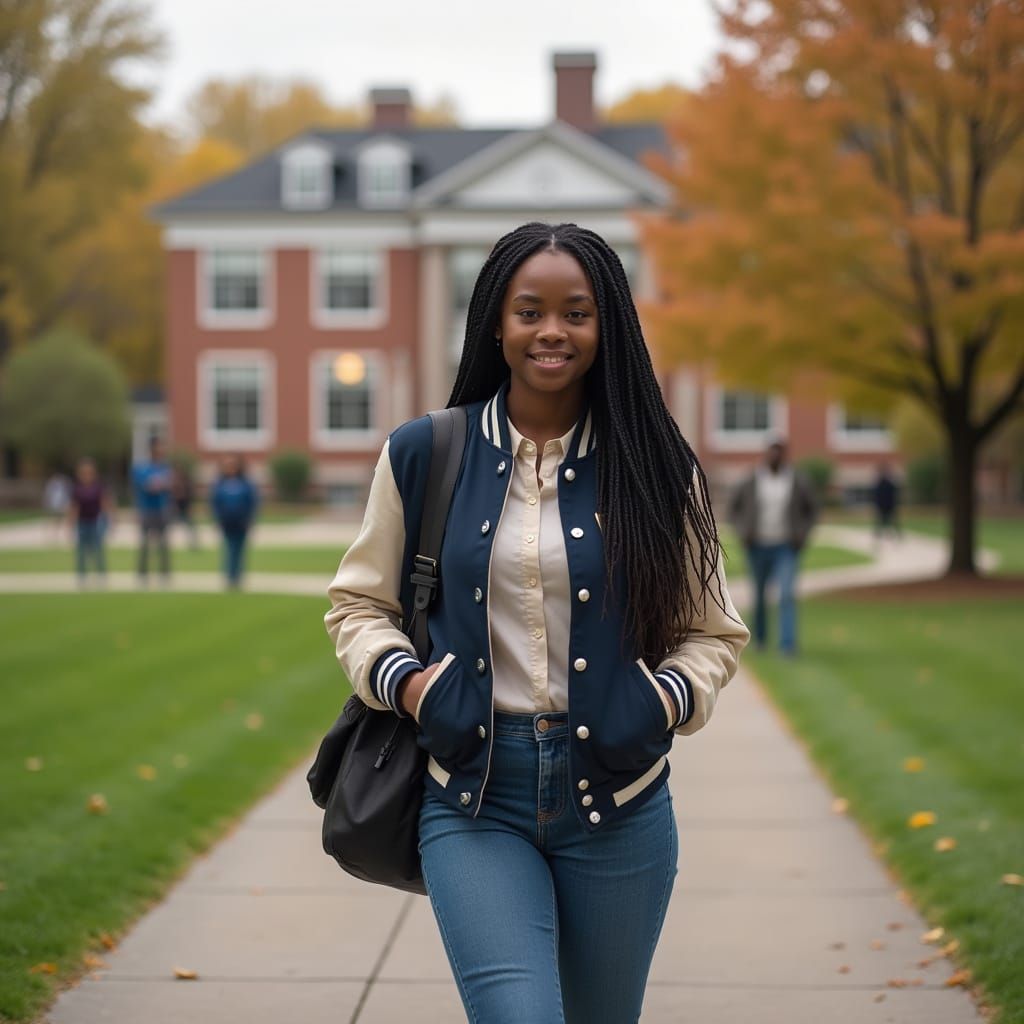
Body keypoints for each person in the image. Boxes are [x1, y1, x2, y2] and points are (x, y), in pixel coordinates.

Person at [325, 222, 749, 1023]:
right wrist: (410, 686)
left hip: (622, 806)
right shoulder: (423, 454)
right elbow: (359, 604)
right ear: (496, 321)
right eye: (529, 311)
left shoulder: (657, 466)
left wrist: (661, 701)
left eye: (576, 312)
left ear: (607, 325)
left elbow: (713, 632)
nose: (552, 330)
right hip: (474, 797)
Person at [729, 438, 818, 656]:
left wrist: (802, 536)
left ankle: (787, 645)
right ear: (766, 454)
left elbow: (812, 510)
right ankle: (760, 640)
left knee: (786, 594)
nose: (775, 456)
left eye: (779, 452)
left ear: (785, 455)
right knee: (759, 595)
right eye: (772, 451)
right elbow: (734, 509)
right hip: (757, 546)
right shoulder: (751, 480)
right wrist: (743, 532)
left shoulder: (797, 480)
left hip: (785, 547)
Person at [210, 455, 259, 588]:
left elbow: (253, 502)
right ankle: (229, 576)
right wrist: (216, 519)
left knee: (240, 549)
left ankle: (238, 576)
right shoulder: (220, 483)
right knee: (229, 549)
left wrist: (251, 519)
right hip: (227, 522)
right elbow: (215, 503)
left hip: (241, 521)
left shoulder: (245, 483)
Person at [132, 436, 173, 584]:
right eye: (158, 447)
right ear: (152, 449)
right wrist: (157, 484)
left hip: (162, 509)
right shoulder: (142, 468)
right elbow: (146, 486)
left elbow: (168, 485)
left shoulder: (165, 467)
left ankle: (165, 574)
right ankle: (142, 574)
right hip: (147, 510)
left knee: (163, 544)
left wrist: (158, 484)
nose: (161, 450)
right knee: (144, 544)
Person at [68, 458, 112, 583]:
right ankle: (81, 576)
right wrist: (70, 522)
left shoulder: (98, 487)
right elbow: (74, 507)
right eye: (84, 472)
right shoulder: (77, 489)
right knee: (81, 551)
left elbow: (105, 503)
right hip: (82, 523)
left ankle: (101, 575)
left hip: (96, 522)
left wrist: (109, 518)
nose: (86, 475)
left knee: (98, 550)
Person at [171, 460, 200, 550]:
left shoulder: (186, 481)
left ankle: (193, 544)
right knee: (169, 526)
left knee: (190, 526)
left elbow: (190, 494)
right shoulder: (172, 481)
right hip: (175, 507)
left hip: (185, 506)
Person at [871, 461, 901, 541]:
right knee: (881, 522)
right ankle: (878, 537)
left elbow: (894, 494)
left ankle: (896, 536)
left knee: (891, 522)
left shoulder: (888, 483)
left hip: (888, 505)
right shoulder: (881, 483)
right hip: (884, 506)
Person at [43, 471, 71, 541]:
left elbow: (67, 495)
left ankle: (65, 534)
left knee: (64, 519)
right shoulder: (52, 485)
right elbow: (48, 495)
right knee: (54, 519)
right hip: (55, 504)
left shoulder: (64, 485)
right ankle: (52, 535)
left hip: (62, 504)